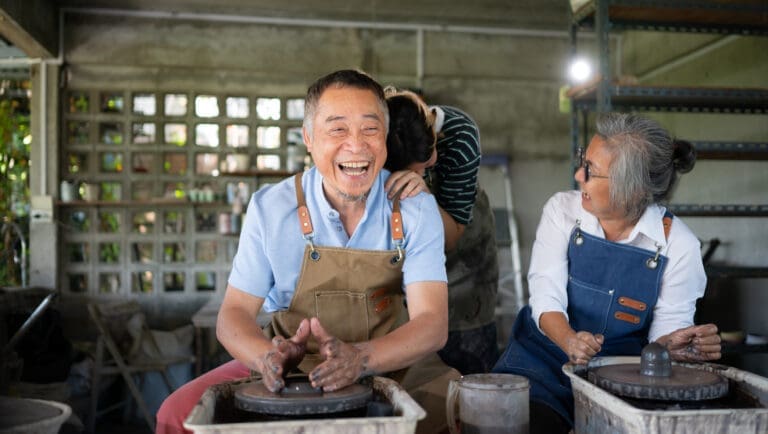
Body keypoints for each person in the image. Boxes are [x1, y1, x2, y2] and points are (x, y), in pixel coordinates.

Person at [156, 70, 459, 434]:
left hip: (391, 362)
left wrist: (360, 359)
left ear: (385, 137)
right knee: (176, 415)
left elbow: (432, 324)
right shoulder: (270, 208)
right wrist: (267, 357)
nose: (356, 145)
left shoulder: (413, 206)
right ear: (309, 138)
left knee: (459, 412)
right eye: (337, 130)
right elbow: (233, 314)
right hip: (292, 370)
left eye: (370, 129)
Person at [493, 112, 722, 434]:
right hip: (542, 360)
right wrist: (569, 340)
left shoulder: (678, 245)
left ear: (634, 189)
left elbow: (666, 331)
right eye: (582, 162)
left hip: (621, 373)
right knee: (518, 423)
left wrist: (676, 345)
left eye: (591, 171)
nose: (577, 176)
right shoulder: (562, 211)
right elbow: (545, 292)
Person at [383, 88, 499, 375]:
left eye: (425, 168)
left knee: (467, 371)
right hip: (400, 270)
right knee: (403, 370)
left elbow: (452, 235)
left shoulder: (460, 135)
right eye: (415, 171)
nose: (424, 173)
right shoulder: (380, 129)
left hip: (463, 269)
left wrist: (424, 196)